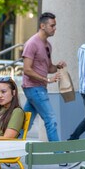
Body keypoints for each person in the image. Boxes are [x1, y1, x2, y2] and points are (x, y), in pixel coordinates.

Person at [22, 12, 66, 145]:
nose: (54, 28)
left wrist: (57, 67)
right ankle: (60, 157)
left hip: (38, 88)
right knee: (50, 119)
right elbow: (27, 69)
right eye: (52, 26)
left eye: (55, 25)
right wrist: (46, 80)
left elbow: (48, 68)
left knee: (25, 124)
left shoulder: (47, 45)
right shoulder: (32, 43)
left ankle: (8, 155)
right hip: (34, 88)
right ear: (42, 26)